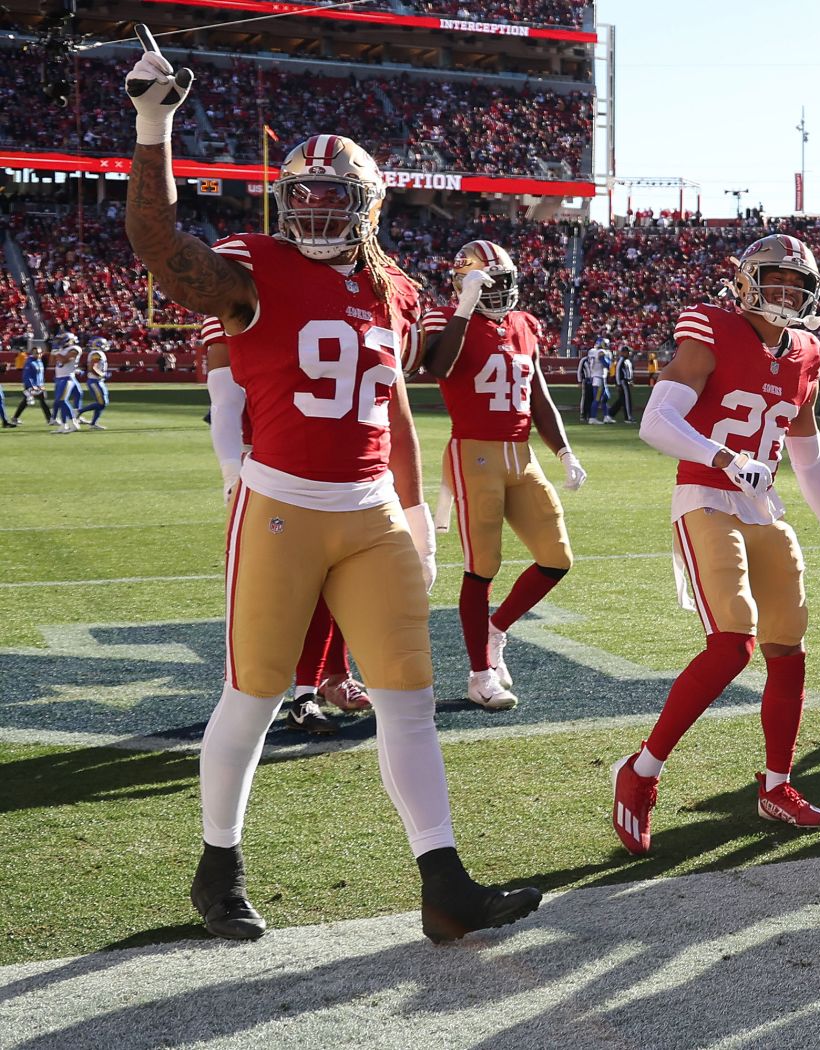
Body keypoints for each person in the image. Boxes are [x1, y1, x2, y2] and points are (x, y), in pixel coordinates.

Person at [124, 47, 537, 943]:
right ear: (284, 201)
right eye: (301, 195)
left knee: (408, 697)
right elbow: (159, 247)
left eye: (332, 198)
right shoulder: (252, 266)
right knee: (255, 694)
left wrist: (418, 510)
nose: (313, 210)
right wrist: (155, 124)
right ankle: (218, 866)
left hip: (372, 516)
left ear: (367, 208)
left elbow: (397, 402)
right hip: (280, 506)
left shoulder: (391, 287)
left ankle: (444, 882)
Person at [611, 233, 820, 854]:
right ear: (748, 280)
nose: (786, 294)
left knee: (788, 646)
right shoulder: (714, 329)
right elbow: (655, 421)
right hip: (704, 496)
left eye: (796, 285)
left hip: (762, 506)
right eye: (775, 281)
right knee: (733, 640)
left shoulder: (806, 351)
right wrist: (722, 456)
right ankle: (640, 772)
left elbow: (808, 458)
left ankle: (776, 785)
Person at [421, 239, 586, 710]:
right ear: (463, 284)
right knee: (482, 566)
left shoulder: (524, 325)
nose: (495, 292)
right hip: (474, 453)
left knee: (556, 558)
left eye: (501, 283)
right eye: (485, 284)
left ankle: (497, 629)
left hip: (521, 454)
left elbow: (538, 395)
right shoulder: (447, 320)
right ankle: (479, 675)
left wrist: (565, 451)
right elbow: (438, 366)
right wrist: (465, 306)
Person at [202, 317, 370, 736]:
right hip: (264, 466)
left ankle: (312, 689)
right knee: (267, 593)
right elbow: (225, 402)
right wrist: (231, 472)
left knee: (333, 581)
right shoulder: (239, 298)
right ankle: (255, 696)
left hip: (323, 466)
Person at [50, 332, 81, 434]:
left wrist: (57, 353)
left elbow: (64, 360)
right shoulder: (62, 350)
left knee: (62, 400)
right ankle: (64, 425)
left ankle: (74, 422)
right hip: (59, 378)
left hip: (67, 378)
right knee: (59, 401)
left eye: (60, 340)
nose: (58, 342)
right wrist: (53, 352)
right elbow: (52, 362)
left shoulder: (75, 349)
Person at [79, 337, 111, 429]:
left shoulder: (98, 353)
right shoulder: (96, 353)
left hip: (98, 381)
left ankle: (93, 424)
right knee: (102, 403)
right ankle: (79, 411)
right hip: (95, 381)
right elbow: (92, 368)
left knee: (103, 403)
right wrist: (102, 375)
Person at [14, 346, 50, 425]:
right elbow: (27, 376)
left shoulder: (40, 361)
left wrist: (42, 384)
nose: (38, 355)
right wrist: (32, 386)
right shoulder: (29, 362)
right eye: (36, 353)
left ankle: (50, 419)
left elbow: (40, 375)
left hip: (39, 386)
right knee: (30, 402)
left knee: (40, 401)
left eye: (40, 353)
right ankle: (50, 419)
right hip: (31, 386)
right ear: (32, 353)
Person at [607, 345, 637, 422]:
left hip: (625, 381)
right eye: (627, 352)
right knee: (627, 399)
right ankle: (628, 417)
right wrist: (618, 384)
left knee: (621, 400)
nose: (629, 353)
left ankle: (610, 414)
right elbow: (618, 372)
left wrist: (630, 380)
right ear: (623, 352)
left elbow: (628, 372)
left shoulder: (626, 360)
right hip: (623, 382)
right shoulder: (621, 360)